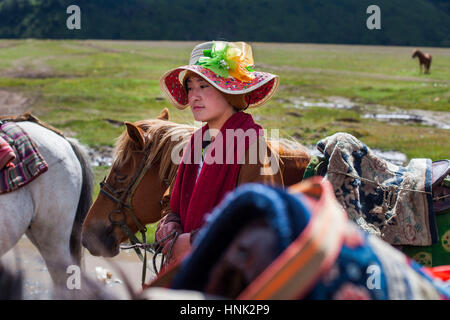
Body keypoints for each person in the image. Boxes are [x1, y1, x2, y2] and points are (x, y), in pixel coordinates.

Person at [156, 41, 285, 264]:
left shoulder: (253, 146)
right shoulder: (197, 142)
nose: (193, 96)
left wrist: (195, 241)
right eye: (190, 87)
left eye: (204, 86)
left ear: (230, 92)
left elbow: (259, 220)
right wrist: (171, 221)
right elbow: (173, 199)